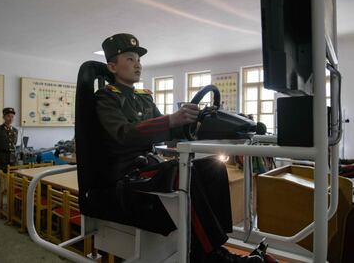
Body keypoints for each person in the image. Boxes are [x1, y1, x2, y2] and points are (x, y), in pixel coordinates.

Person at [94, 33, 264, 262]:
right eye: (130, 59)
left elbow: (169, 131)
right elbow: (123, 134)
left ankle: (215, 242)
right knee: (185, 176)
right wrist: (171, 120)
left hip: (148, 166)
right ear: (112, 66)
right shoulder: (105, 98)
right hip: (125, 173)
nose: (138, 64)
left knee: (212, 168)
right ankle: (209, 255)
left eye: (139, 60)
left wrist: (192, 121)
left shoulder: (143, 98)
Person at [0, 107, 18, 210]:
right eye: (8, 116)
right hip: (1, 158)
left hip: (12, 159)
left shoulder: (15, 130)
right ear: (4, 117)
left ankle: (13, 201)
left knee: (13, 181)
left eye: (12, 116)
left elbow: (14, 145)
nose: (10, 118)